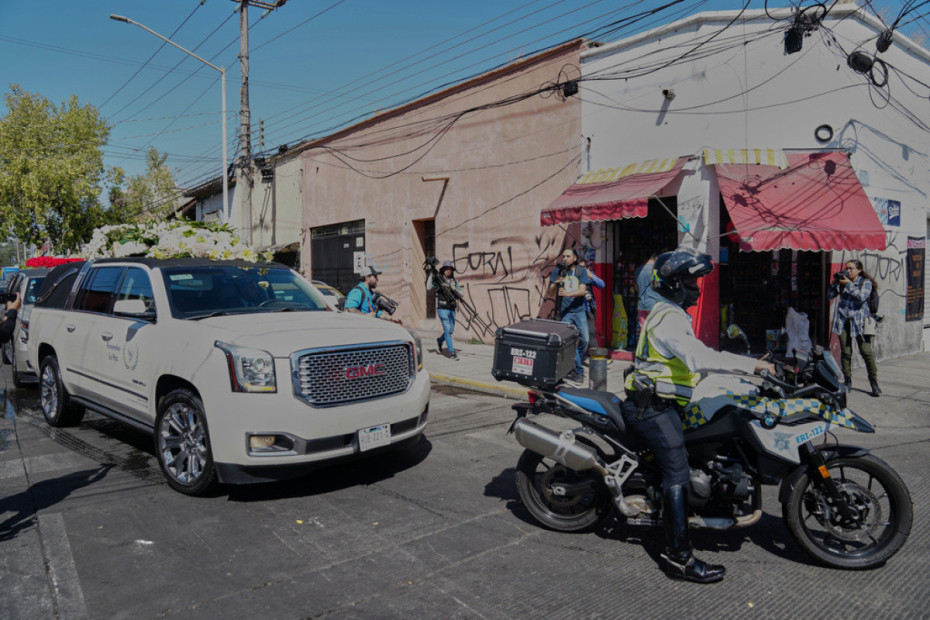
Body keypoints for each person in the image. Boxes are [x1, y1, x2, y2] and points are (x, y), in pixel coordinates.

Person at [623, 247, 776, 584]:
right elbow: (698, 358)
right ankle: (679, 559)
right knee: (676, 473)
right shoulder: (669, 318)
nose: (696, 289)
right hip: (652, 409)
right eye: (691, 283)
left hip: (662, 403)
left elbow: (689, 365)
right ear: (675, 284)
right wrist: (754, 366)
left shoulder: (669, 313)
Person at [828, 259, 880, 397]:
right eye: (847, 268)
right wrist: (834, 283)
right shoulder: (843, 282)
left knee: (866, 352)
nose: (848, 271)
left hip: (859, 322)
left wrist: (849, 285)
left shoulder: (865, 283)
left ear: (859, 270)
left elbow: (861, 297)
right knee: (846, 352)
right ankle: (848, 380)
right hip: (843, 320)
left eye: (851, 268)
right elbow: (829, 296)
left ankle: (874, 382)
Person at [547, 248, 590, 384]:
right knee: (569, 342)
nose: (565, 259)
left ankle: (573, 364)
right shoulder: (558, 270)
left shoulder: (580, 271)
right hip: (565, 312)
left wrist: (568, 294)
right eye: (564, 256)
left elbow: (582, 291)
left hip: (579, 311)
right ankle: (579, 371)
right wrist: (557, 282)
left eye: (568, 256)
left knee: (585, 340)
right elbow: (551, 292)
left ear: (575, 258)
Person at [427, 261, 462, 359]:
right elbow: (428, 287)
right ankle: (452, 353)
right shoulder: (438, 280)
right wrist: (431, 274)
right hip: (442, 309)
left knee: (450, 331)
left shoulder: (454, 281)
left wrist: (455, 290)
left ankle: (439, 340)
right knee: (447, 329)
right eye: (446, 269)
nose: (448, 271)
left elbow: (461, 293)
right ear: (443, 270)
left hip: (452, 308)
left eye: (450, 269)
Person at [578, 257, 605, 353]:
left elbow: (602, 285)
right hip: (575, 310)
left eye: (584, 267)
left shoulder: (588, 276)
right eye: (580, 267)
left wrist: (591, 276)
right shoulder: (572, 277)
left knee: (591, 333)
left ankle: (596, 358)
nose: (582, 270)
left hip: (588, 309)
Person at [634, 252, 662, 330]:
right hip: (653, 304)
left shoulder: (638, 270)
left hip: (641, 305)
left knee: (643, 331)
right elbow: (658, 286)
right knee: (654, 330)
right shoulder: (655, 270)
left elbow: (636, 287)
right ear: (656, 259)